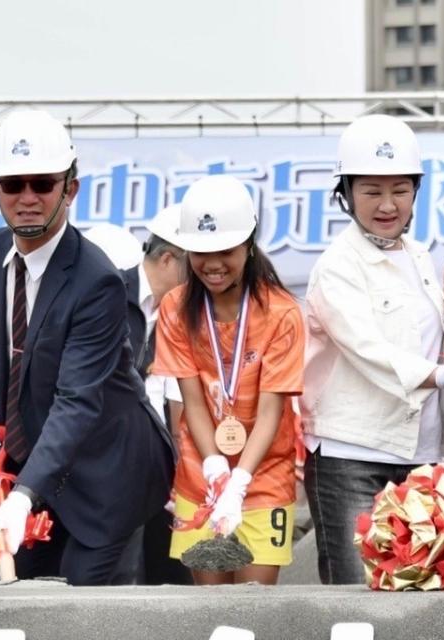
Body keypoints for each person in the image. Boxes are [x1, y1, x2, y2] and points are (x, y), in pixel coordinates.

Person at [0, 109, 174, 585]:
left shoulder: (96, 281)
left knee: (82, 615)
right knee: (25, 607)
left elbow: (77, 402)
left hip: (107, 474)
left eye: (42, 183)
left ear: (70, 189)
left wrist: (22, 496)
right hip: (38, 466)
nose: (27, 198)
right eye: (12, 184)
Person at [301, 114, 444, 585]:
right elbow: (369, 350)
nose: (387, 204)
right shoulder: (337, 267)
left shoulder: (419, 255)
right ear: (346, 192)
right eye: (371, 191)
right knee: (357, 595)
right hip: (353, 456)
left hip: (422, 455)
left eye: (400, 190)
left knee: (419, 593)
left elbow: (429, 336)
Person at [153, 174, 303, 586]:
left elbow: (272, 410)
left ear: (249, 244)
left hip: (264, 478)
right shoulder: (175, 308)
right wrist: (217, 469)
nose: (213, 264)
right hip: (201, 475)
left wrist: (239, 481)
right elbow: (193, 402)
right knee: (210, 608)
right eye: (200, 252)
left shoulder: (281, 312)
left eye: (226, 250)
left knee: (252, 604)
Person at [118, 205, 191, 585]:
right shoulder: (109, 294)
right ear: (168, 259)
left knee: (166, 577)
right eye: (196, 266)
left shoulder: (184, 315)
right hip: (114, 468)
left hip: (164, 467)